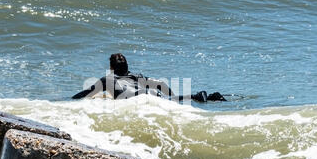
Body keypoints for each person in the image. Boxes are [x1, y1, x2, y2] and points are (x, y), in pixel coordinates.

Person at [72, 53, 226, 102]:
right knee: (165, 100)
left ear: (111, 68)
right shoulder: (137, 76)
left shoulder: (107, 80)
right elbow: (160, 84)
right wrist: (172, 97)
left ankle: (195, 97)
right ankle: (201, 96)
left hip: (133, 99)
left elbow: (85, 94)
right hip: (151, 95)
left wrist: (69, 100)